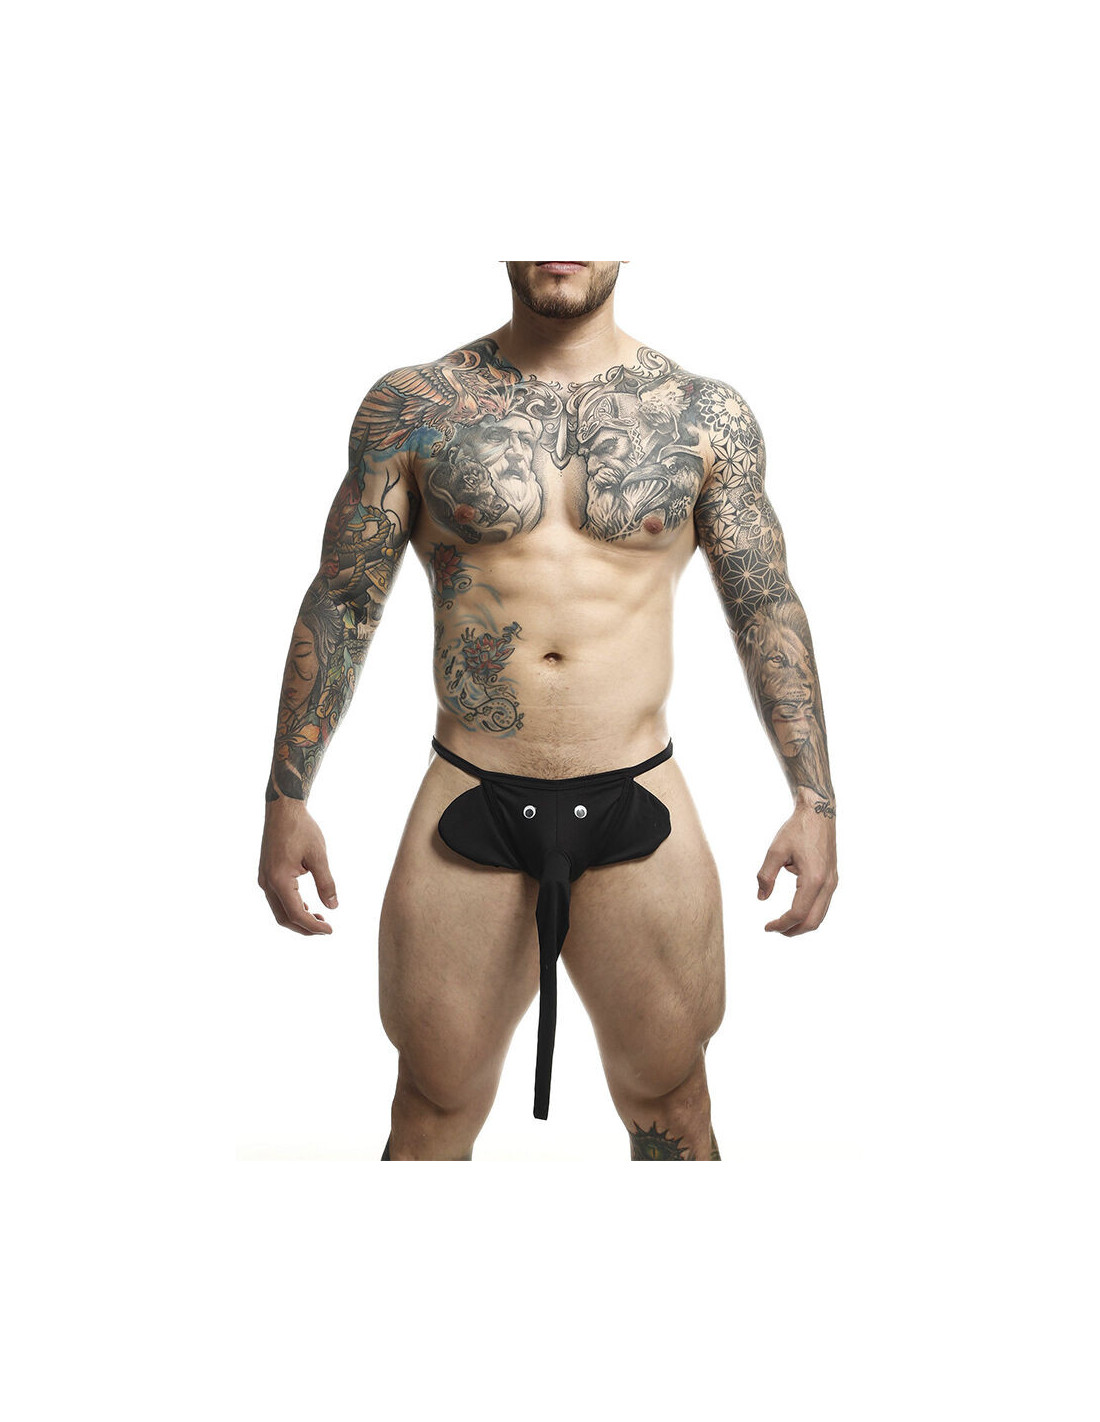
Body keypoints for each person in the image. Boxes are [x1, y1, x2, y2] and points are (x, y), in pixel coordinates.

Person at [257, 260, 839, 1161]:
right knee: (431, 1107)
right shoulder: (415, 407)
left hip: (637, 793)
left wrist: (814, 799)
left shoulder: (704, 415)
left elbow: (763, 603)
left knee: (673, 1102)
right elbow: (343, 599)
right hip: (470, 796)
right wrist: (286, 796)